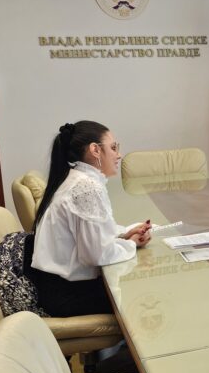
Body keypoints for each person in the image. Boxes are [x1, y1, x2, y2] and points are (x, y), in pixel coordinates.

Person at [27, 121, 152, 317]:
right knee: (144, 292)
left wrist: (123, 234)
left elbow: (91, 236)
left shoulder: (77, 177)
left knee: (138, 282)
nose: (119, 155)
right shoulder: (86, 187)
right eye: (113, 147)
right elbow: (96, 255)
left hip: (55, 285)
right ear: (95, 150)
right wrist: (131, 244)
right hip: (67, 295)